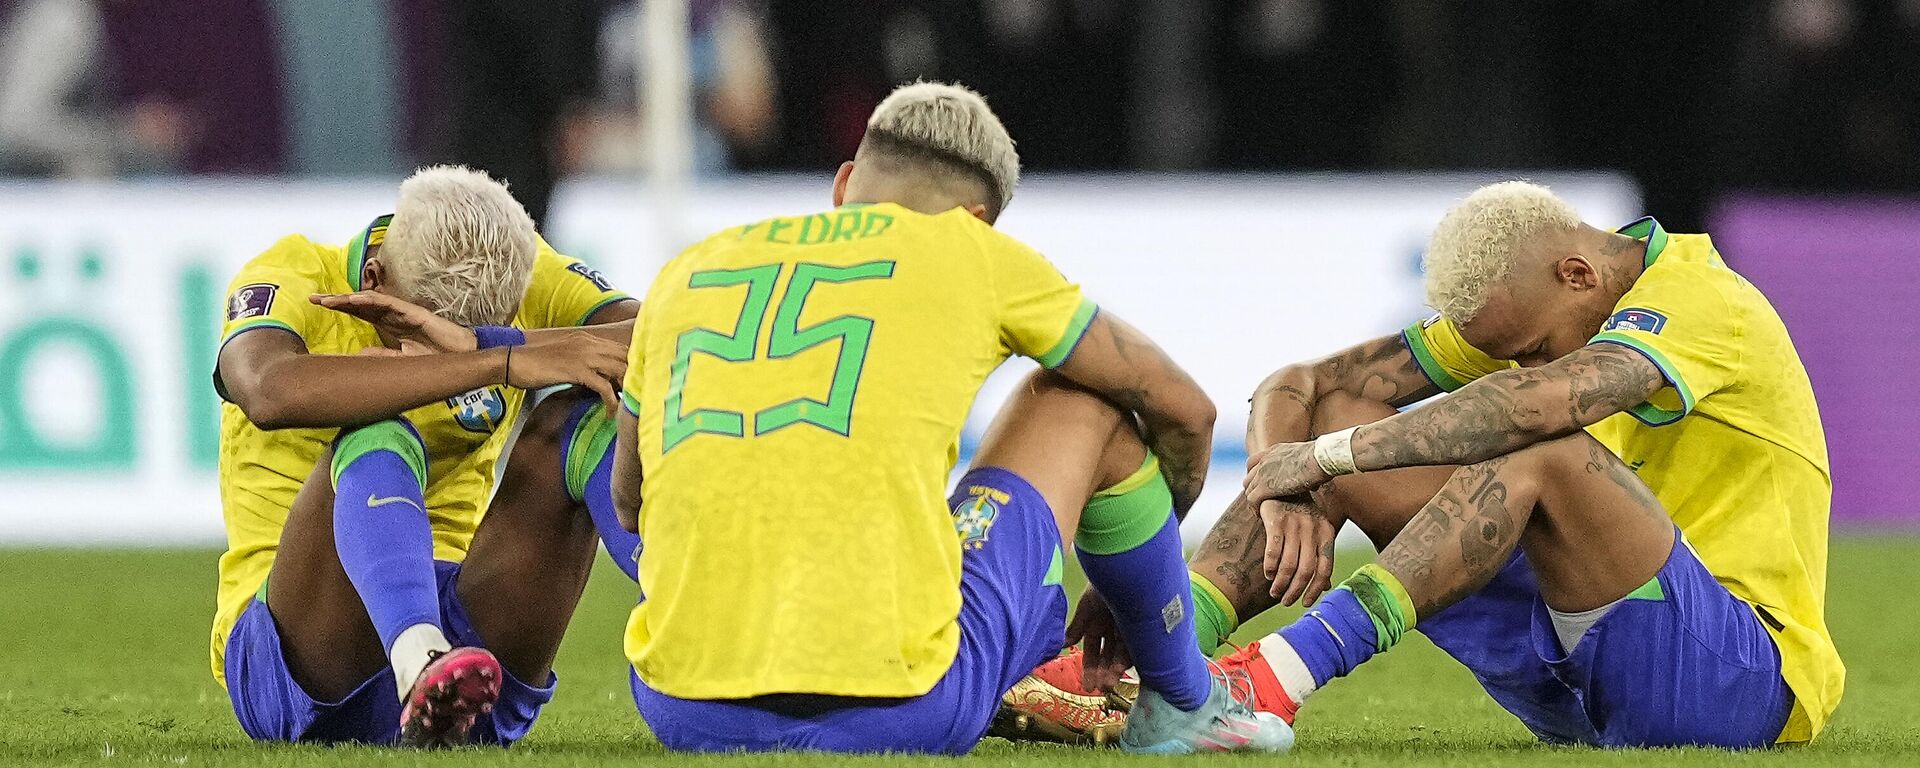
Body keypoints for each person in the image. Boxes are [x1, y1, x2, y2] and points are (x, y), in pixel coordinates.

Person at [1011, 181, 1843, 748]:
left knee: (1538, 444)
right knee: (1341, 418)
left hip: (1734, 678)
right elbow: (1300, 385)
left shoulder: (1708, 304)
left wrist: (1328, 457)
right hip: (1577, 667)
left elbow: (1548, 404)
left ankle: (1272, 679)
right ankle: (1150, 658)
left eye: (1534, 347)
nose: (1523, 362)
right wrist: (1288, 483)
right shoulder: (1547, 296)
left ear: (1580, 275)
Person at [607, 81, 1292, 755]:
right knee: (1086, 400)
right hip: (905, 713)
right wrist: (1140, 577)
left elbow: (629, 501)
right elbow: (1188, 410)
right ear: (976, 219)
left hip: (685, 711)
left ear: (845, 183)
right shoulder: (967, 251)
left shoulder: (687, 270)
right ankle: (1180, 700)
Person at [211, 165, 641, 747]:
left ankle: (687, 597)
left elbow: (664, 334)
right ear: (374, 275)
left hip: (470, 671)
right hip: (299, 662)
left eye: (466, 333)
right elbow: (266, 388)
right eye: (413, 328)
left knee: (589, 409)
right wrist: (494, 361)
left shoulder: (524, 271)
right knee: (379, 414)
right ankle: (415, 651)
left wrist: (496, 342)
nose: (426, 351)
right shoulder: (294, 276)